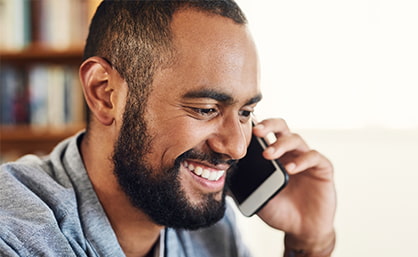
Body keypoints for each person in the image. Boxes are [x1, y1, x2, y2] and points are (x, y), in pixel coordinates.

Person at [0, 1, 336, 257]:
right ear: (105, 93)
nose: (236, 147)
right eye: (205, 109)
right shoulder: (16, 232)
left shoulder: (208, 223)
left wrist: (310, 243)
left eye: (247, 112)